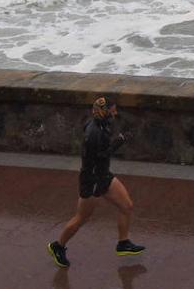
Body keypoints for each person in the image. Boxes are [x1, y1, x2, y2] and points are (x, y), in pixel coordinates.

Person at [47, 96, 145, 268]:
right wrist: (119, 142)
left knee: (127, 206)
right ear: (104, 111)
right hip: (91, 181)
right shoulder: (95, 133)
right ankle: (58, 246)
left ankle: (123, 243)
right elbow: (101, 155)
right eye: (112, 110)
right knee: (81, 218)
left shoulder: (99, 124)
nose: (115, 113)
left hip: (103, 175)